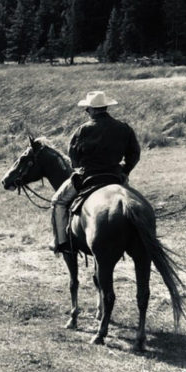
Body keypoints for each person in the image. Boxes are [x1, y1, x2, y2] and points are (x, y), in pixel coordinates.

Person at [50, 90, 141, 254]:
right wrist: (124, 170)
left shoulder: (82, 130)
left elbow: (74, 159)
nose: (86, 111)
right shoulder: (124, 128)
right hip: (115, 176)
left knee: (58, 202)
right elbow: (134, 154)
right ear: (106, 107)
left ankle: (63, 243)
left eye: (87, 108)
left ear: (92, 109)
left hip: (88, 176)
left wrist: (82, 167)